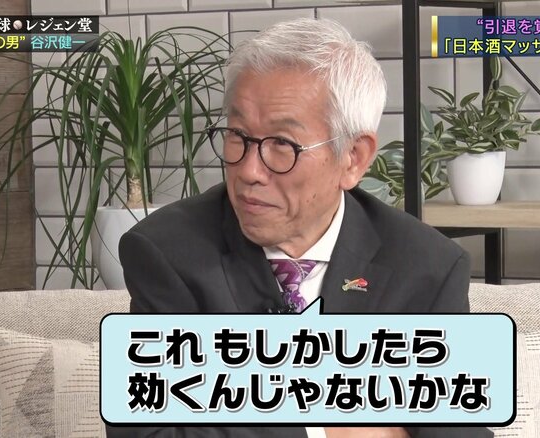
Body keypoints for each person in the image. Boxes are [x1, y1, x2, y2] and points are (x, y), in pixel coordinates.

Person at [106, 18, 492, 438]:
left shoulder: (428, 267)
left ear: (353, 158)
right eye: (237, 135)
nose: (249, 171)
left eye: (282, 145)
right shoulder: (166, 251)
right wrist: (325, 430)